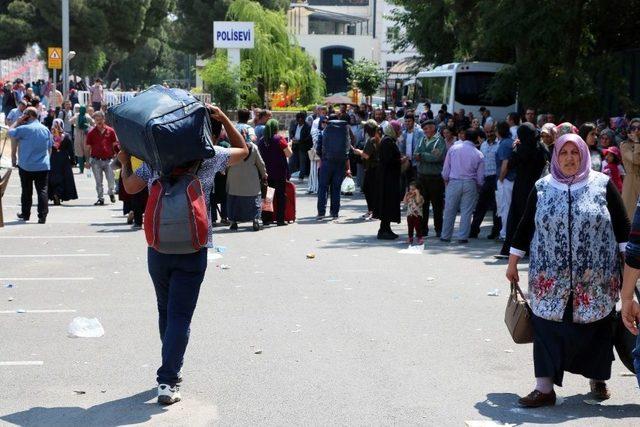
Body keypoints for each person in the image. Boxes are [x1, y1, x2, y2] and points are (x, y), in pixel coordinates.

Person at [119, 106, 249, 405]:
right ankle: (168, 379)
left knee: (166, 311)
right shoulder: (208, 158)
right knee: (180, 315)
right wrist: (224, 118)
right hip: (194, 249)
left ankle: (170, 363)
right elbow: (243, 150)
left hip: (158, 248)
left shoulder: (154, 162)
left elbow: (129, 186)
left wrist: (125, 162)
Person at [506, 133, 629, 407]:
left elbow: (622, 225)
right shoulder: (542, 187)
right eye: (564, 153)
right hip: (549, 277)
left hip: (595, 277)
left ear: (584, 154)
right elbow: (525, 225)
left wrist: (629, 263)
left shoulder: (602, 184)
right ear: (556, 156)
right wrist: (513, 261)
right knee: (546, 326)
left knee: (597, 327)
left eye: (575, 152)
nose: (570, 158)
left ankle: (598, 377)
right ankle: (544, 388)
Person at [499, 123, 549, 256]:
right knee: (532, 217)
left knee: (517, 217)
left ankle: (512, 248)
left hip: (521, 187)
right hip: (537, 187)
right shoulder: (541, 148)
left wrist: (516, 148)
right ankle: (531, 247)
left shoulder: (520, 149)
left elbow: (510, 164)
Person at [9, 107, 53, 223]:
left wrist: (18, 121)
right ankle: (42, 216)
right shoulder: (45, 129)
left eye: (24, 114)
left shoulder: (23, 128)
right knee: (42, 190)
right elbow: (49, 148)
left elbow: (10, 131)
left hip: (26, 165)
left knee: (26, 191)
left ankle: (25, 214)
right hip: (42, 165)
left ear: (29, 115)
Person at [440, 128, 484, 243]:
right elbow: (480, 178)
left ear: (464, 136)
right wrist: (478, 186)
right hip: (470, 183)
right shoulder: (479, 154)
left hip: (454, 181)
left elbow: (446, 169)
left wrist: (446, 180)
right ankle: (462, 237)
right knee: (467, 211)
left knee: (450, 209)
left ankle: (445, 235)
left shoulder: (453, 148)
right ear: (476, 139)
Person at [226, 138, 267, 231]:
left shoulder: (231, 148)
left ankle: (233, 222)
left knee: (234, 201)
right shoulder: (254, 147)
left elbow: (227, 163)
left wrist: (225, 172)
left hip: (234, 178)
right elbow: (260, 163)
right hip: (251, 179)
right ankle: (255, 220)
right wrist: (264, 174)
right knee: (254, 200)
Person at [415, 120, 447, 237]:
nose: (425, 131)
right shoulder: (421, 140)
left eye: (427, 128)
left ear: (433, 128)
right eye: (424, 129)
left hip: (435, 177)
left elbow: (437, 157)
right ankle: (423, 229)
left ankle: (439, 229)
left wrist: (423, 155)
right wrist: (425, 155)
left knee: (437, 205)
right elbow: (415, 154)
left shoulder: (440, 141)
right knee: (423, 204)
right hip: (422, 176)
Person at [316, 117, 351, 220]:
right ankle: (334, 212)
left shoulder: (323, 133)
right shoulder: (344, 132)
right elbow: (347, 149)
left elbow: (318, 150)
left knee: (323, 188)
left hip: (326, 163)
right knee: (336, 188)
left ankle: (321, 212)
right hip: (340, 164)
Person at [258, 118, 292, 226]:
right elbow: (289, 154)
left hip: (267, 173)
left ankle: (266, 219)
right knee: (280, 196)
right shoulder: (279, 139)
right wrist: (289, 145)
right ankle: (280, 220)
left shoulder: (262, 140)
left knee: (268, 196)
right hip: (279, 172)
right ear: (276, 128)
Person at [470, 122, 500, 239]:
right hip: (486, 179)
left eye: (491, 131)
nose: (489, 134)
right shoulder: (483, 145)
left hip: (496, 178)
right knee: (480, 206)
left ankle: (495, 232)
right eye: (487, 132)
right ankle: (473, 231)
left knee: (496, 207)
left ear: (495, 131)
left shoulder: (499, 144)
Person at [375, 121, 402, 239]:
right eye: (398, 130)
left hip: (389, 177)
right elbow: (388, 161)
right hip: (387, 179)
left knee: (389, 203)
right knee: (387, 203)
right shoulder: (387, 142)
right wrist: (400, 161)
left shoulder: (389, 140)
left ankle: (386, 228)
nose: (400, 132)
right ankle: (383, 230)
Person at [85, 111, 118, 205]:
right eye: (97, 120)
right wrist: (87, 161)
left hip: (108, 160)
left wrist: (117, 157)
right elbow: (87, 148)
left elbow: (115, 145)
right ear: (94, 120)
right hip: (96, 160)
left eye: (100, 119)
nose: (99, 121)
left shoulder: (111, 131)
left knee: (111, 180)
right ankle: (101, 198)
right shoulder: (91, 132)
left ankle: (111, 192)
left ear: (104, 119)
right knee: (98, 181)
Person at [353, 119, 379, 219]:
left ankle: (372, 211)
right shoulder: (378, 138)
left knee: (368, 190)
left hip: (372, 168)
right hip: (376, 168)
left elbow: (366, 155)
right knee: (372, 190)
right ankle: (373, 211)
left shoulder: (371, 140)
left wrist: (358, 151)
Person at [47, 119, 77, 205]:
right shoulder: (66, 136)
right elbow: (71, 150)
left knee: (52, 177)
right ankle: (58, 194)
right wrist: (73, 161)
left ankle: (53, 194)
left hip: (52, 158)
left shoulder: (50, 135)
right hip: (63, 159)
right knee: (64, 177)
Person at [495, 121, 515, 242]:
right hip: (513, 179)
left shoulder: (503, 144)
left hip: (506, 179)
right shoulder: (511, 141)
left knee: (504, 207)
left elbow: (505, 163)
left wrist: (501, 179)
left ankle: (504, 233)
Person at [398, 112, 423, 194]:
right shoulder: (403, 133)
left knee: (417, 183)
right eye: (406, 121)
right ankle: (409, 202)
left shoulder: (419, 132)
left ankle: (417, 202)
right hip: (406, 162)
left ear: (413, 121)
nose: (407, 123)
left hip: (416, 162)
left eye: (409, 121)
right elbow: (401, 148)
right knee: (408, 183)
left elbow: (421, 146)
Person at [621, 118, 640, 218]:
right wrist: (636, 142)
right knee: (629, 215)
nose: (636, 130)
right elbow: (636, 160)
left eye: (639, 128)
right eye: (633, 128)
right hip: (631, 181)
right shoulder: (625, 145)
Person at [288, 111, 312, 181]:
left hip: (303, 146)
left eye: (301, 120)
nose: (299, 121)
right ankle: (288, 175)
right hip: (295, 145)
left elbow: (308, 137)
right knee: (292, 161)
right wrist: (293, 138)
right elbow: (291, 132)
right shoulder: (295, 124)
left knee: (302, 162)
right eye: (298, 120)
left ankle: (301, 177)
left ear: (303, 119)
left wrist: (300, 141)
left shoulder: (307, 126)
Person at [70, 105, 94, 173]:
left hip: (82, 134)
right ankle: (84, 169)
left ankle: (83, 169)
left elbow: (70, 121)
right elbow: (93, 123)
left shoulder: (80, 115)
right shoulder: (85, 115)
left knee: (84, 152)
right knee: (84, 152)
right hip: (82, 134)